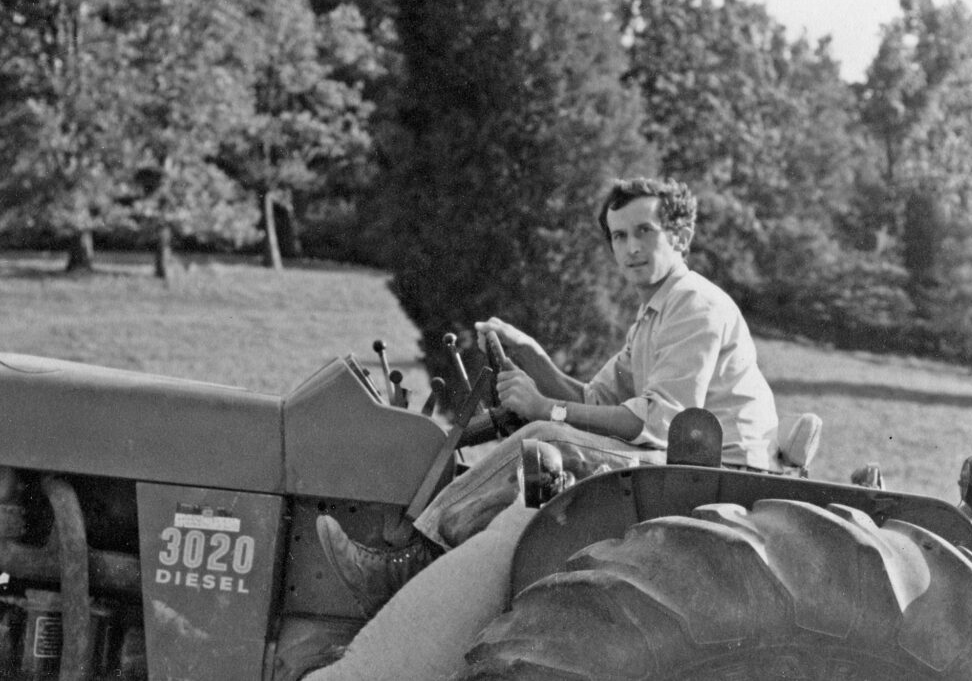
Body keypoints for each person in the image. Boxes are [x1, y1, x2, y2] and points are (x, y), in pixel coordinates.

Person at [317, 177, 778, 616]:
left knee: (542, 438)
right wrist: (532, 354)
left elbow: (656, 422)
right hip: (689, 460)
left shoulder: (694, 304)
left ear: (678, 236)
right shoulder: (653, 313)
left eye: (644, 232)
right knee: (543, 445)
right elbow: (594, 398)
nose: (631, 248)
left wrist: (544, 409)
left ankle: (405, 566)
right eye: (618, 237)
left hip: (717, 470)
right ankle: (473, 564)